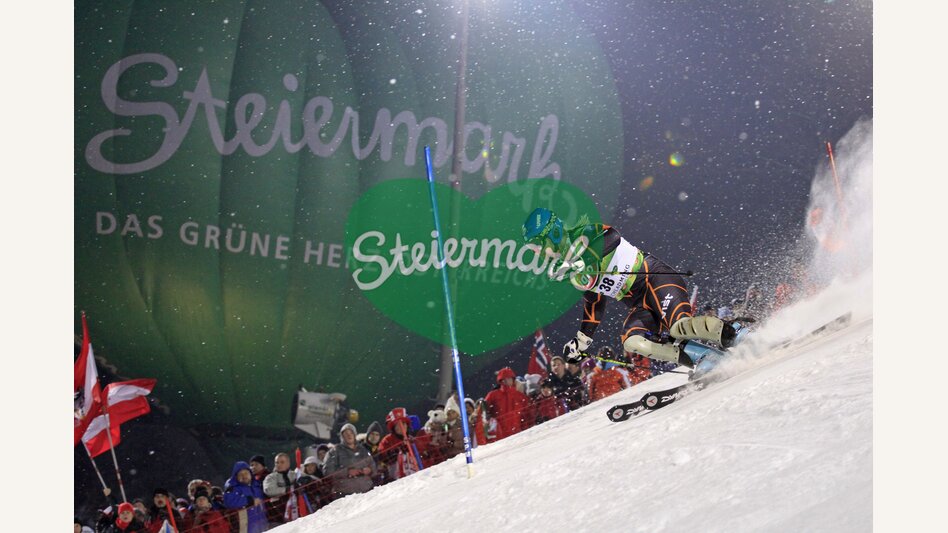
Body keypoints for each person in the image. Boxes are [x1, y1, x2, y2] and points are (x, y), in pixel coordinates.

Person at [522, 208, 740, 373]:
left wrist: (582, 261)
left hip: (654, 279)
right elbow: (595, 302)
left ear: (553, 233)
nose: (539, 251)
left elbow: (612, 237)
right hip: (639, 303)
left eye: (539, 243)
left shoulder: (582, 234)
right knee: (632, 341)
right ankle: (705, 360)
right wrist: (581, 341)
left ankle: (737, 336)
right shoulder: (570, 270)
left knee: (678, 327)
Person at [323, 423, 377, 498]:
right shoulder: (334, 451)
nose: (349, 435)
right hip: (345, 495)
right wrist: (347, 472)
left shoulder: (363, 450)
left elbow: (373, 468)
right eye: (346, 433)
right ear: (342, 436)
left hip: (367, 493)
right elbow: (328, 472)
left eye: (351, 433)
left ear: (355, 435)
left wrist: (370, 470)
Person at [378, 407, 429, 481]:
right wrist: (396, 452)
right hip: (397, 479)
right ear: (394, 428)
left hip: (417, 476)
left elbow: (424, 455)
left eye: (403, 423)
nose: (401, 426)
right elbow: (382, 456)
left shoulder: (412, 440)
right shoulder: (387, 440)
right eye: (397, 425)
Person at [484, 367, 531, 440]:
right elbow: (483, 410)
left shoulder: (520, 396)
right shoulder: (493, 395)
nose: (506, 381)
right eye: (504, 379)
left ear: (513, 379)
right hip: (499, 436)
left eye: (509, 378)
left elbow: (527, 415)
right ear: (500, 381)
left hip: (518, 435)